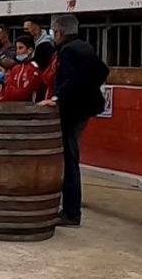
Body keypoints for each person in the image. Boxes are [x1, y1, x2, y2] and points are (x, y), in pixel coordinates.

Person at [39, 15, 110, 228]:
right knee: (71, 158)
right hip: (85, 109)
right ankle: (70, 209)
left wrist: (56, 98)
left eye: (53, 33)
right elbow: (102, 71)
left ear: (59, 33)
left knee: (69, 162)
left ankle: (71, 213)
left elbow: (70, 79)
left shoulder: (67, 51)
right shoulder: (85, 46)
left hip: (72, 111)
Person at [0, 36, 47, 102]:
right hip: (12, 107)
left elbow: (25, 93)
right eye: (16, 48)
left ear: (30, 50)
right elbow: (7, 89)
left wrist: (7, 96)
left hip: (29, 109)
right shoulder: (16, 68)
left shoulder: (34, 69)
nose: (17, 51)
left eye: (20, 48)